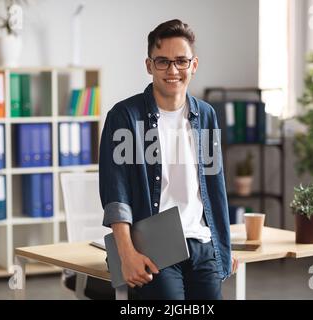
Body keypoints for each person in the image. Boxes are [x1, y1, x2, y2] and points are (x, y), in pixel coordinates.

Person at [99, 19, 237, 300]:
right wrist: (127, 254)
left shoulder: (207, 116)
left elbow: (215, 187)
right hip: (153, 246)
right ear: (149, 66)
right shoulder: (125, 117)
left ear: (193, 65)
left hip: (202, 244)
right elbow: (116, 192)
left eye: (181, 61)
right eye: (162, 62)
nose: (173, 70)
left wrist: (224, 247)